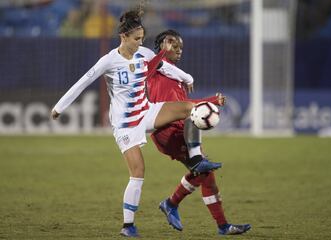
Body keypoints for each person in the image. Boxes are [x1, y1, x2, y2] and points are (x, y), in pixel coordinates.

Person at [50, 7, 221, 238]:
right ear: (123, 37)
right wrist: (59, 107)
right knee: (138, 172)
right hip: (125, 124)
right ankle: (128, 225)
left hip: (147, 111)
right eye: (136, 39)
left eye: (142, 38)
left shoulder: (144, 54)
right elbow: (82, 82)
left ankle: (197, 159)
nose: (140, 43)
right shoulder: (109, 60)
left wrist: (187, 77)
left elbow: (165, 67)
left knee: (191, 108)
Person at [147, 29, 251, 235]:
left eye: (181, 47)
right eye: (174, 46)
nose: (179, 50)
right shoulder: (153, 69)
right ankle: (175, 204)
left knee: (205, 174)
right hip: (168, 131)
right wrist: (209, 101)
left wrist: (211, 100)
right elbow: (183, 107)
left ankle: (178, 207)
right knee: (202, 166)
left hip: (181, 129)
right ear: (162, 47)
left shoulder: (176, 77)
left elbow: (183, 104)